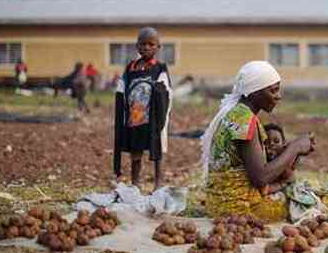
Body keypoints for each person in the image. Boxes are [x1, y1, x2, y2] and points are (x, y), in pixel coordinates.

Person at [200, 60, 314, 222]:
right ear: (254, 92)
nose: (278, 96)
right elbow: (260, 177)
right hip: (239, 208)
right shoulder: (246, 122)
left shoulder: (235, 114)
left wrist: (289, 152)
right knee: (311, 201)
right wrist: (295, 148)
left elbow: (250, 164)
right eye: (273, 91)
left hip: (219, 202)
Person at [113, 27, 172, 192]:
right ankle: (135, 182)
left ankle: (158, 183)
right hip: (135, 116)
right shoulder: (130, 68)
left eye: (151, 44)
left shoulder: (159, 68)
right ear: (137, 46)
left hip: (153, 116)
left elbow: (165, 89)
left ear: (158, 47)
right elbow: (121, 88)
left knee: (156, 148)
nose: (147, 47)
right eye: (143, 44)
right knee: (136, 150)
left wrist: (159, 93)